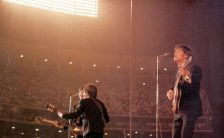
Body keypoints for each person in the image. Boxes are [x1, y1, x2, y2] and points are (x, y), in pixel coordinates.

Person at [167, 44, 202, 138]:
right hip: (178, 109)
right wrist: (170, 92)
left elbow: (196, 80)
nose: (175, 53)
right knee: (175, 136)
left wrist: (187, 74)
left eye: (178, 51)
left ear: (186, 55)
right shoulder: (177, 73)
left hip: (190, 108)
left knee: (185, 135)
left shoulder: (194, 68)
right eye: (175, 51)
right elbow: (173, 87)